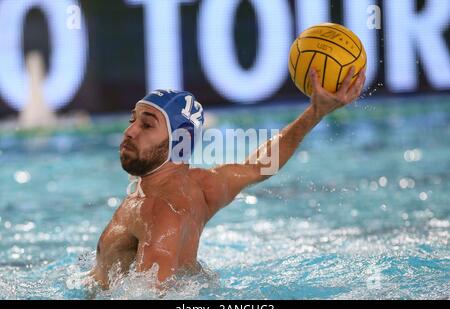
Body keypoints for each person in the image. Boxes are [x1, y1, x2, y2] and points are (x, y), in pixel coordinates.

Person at [91, 66, 366, 289]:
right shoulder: (202, 186)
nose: (130, 132)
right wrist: (315, 112)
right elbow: (260, 165)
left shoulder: (160, 211)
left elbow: (152, 296)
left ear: (181, 141)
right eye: (133, 120)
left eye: (147, 124)